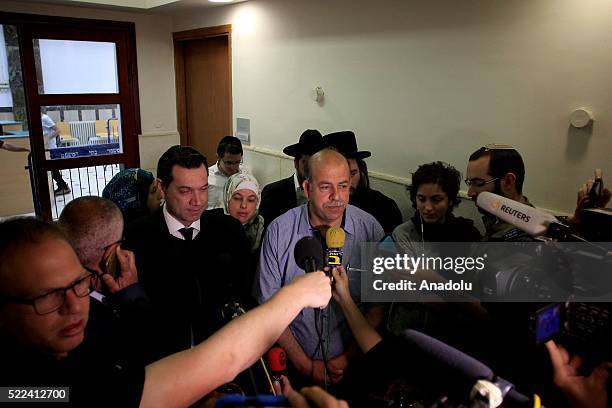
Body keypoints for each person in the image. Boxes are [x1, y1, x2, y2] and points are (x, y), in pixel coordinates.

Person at [0, 216, 332, 407]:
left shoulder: (92, 322)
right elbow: (215, 362)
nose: (74, 306)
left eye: (78, 284)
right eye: (48, 296)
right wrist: (294, 296)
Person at [254, 148, 385, 386]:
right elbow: (268, 308)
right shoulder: (278, 232)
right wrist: (304, 364)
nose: (337, 196)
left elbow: (378, 306)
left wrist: (347, 358)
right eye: (326, 187)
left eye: (343, 186)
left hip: (353, 368)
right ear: (307, 189)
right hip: (295, 370)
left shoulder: (371, 229)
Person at [124, 145, 250, 359]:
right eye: (185, 191)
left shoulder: (228, 230)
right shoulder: (137, 238)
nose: (198, 201)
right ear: (162, 188)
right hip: (163, 363)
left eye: (203, 189)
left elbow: (245, 295)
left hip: (225, 358)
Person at [323, 131, 403, 235]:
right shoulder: (316, 208)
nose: (348, 182)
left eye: (352, 173)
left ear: (361, 171)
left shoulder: (384, 207)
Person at [259, 129, 324, 228]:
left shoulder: (328, 194)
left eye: (318, 165)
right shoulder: (273, 194)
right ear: (296, 163)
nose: (312, 170)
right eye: (307, 164)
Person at [465, 144, 530, 241]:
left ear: (508, 182)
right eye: (469, 183)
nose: (470, 193)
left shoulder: (524, 241)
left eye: (478, 183)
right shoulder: (496, 220)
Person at [207, 136, 250, 210]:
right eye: (228, 163)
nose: (233, 167)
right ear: (218, 157)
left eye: (237, 162)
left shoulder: (246, 174)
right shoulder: (207, 177)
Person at [41, 112, 70, 195]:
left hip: (51, 148)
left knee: (53, 170)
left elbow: (58, 130)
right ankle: (63, 186)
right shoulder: (41, 119)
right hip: (47, 148)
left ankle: (63, 187)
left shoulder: (44, 118)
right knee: (53, 170)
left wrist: (47, 138)